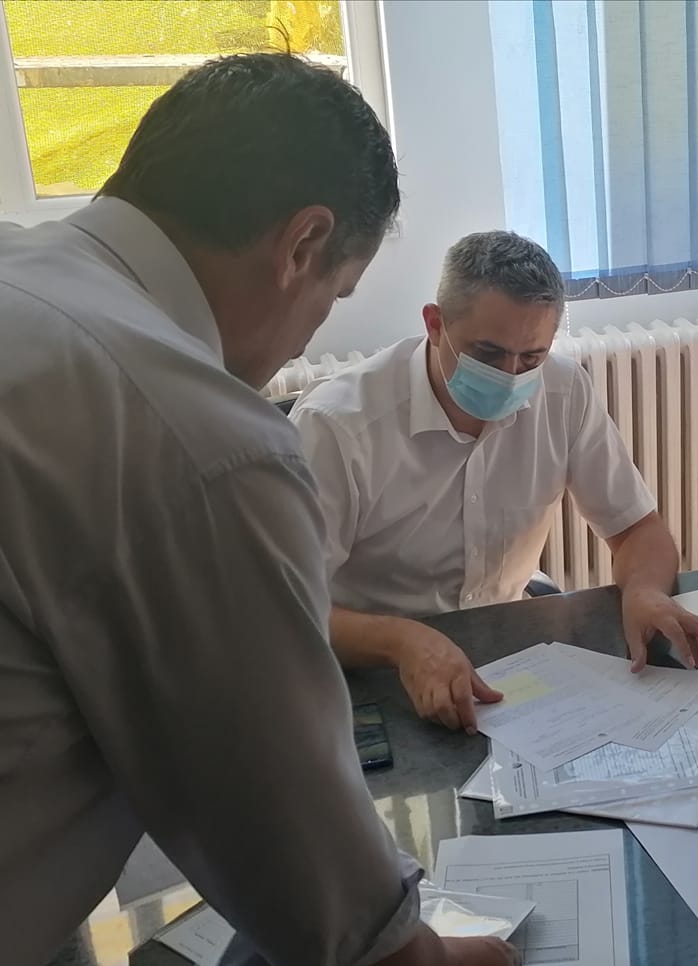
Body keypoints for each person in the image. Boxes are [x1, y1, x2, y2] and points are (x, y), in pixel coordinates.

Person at [0, 54, 515, 966]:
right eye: (335, 297)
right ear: (302, 244)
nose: (310, 334)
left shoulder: (22, 274)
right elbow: (282, 811)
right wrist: (422, 957)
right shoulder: (196, 435)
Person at [289, 230, 698, 732]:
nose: (511, 375)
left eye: (531, 357)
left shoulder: (562, 391)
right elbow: (284, 609)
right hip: (368, 666)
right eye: (489, 354)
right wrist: (400, 641)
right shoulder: (338, 427)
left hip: (510, 652)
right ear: (435, 324)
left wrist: (645, 591)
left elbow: (637, 531)